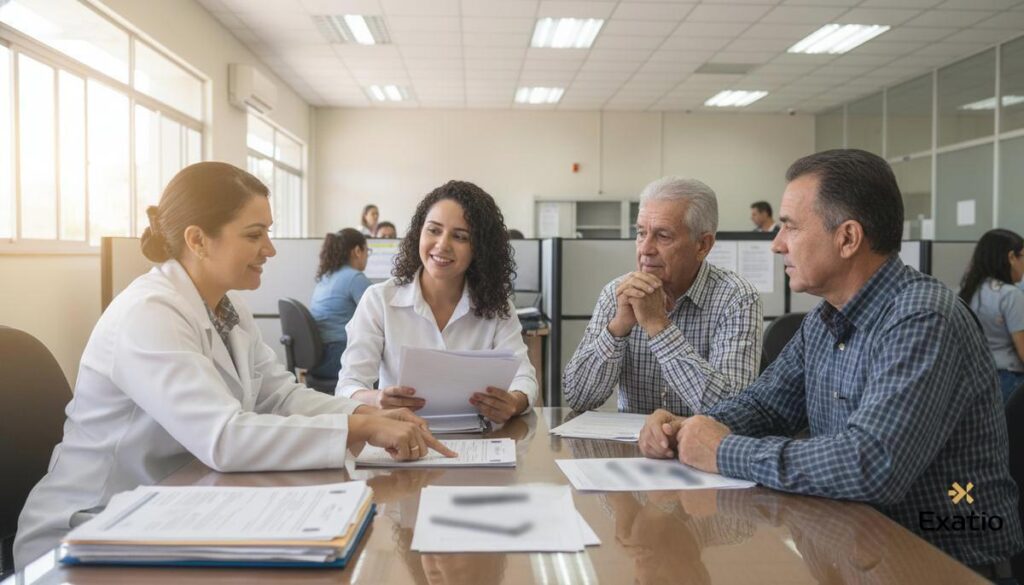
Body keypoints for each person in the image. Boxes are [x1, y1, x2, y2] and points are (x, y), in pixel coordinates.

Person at [13, 163, 454, 569]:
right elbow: (223, 437)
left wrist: (365, 414)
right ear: (197, 239)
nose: (270, 249)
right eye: (253, 234)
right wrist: (361, 430)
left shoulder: (228, 308)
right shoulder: (148, 313)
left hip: (173, 507)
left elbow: (279, 396)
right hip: (90, 527)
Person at [640, 149, 1023, 577]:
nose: (777, 244)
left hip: (942, 561)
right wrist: (686, 427)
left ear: (847, 238)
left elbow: (871, 463)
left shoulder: (922, 318)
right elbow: (765, 406)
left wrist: (723, 450)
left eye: (790, 227)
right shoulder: (825, 320)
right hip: (858, 550)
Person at [336, 180, 538, 423]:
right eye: (434, 230)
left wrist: (514, 401)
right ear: (418, 233)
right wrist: (376, 398)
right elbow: (349, 384)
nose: (442, 245)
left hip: (478, 442)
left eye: (460, 237)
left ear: (480, 249)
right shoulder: (380, 299)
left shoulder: (497, 306)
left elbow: (524, 378)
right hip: (400, 439)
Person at [562, 176, 763, 416]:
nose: (645, 249)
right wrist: (618, 327)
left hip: (700, 449)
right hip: (630, 447)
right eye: (640, 233)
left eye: (663, 236)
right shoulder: (617, 293)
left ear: (702, 245)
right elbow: (577, 397)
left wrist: (658, 325)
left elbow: (732, 410)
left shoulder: (737, 298)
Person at [960, 229, 1024, 403]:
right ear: (1011, 257)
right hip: (1010, 381)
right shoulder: (1010, 294)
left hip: (978, 379)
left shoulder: (970, 291)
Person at [308, 228, 372, 380]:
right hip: (336, 357)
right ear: (357, 251)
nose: (367, 256)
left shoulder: (327, 277)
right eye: (367, 251)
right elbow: (380, 314)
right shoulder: (354, 278)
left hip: (319, 358)